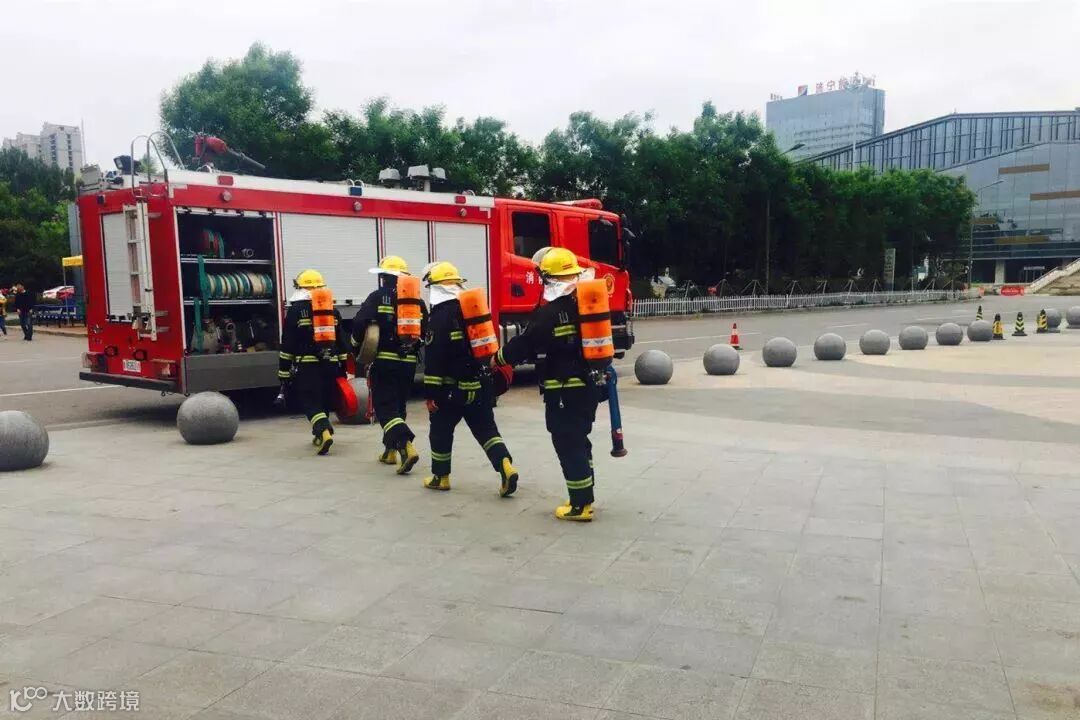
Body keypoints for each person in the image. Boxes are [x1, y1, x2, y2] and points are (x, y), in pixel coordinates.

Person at [496, 248, 601, 521]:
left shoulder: (550, 313)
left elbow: (525, 344)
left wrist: (498, 358)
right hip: (587, 387)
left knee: (568, 443)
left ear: (548, 279)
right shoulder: (584, 306)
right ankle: (585, 495)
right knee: (580, 441)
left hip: (564, 391)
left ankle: (579, 505)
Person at [421, 261, 518, 496]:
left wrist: (432, 395)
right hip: (479, 384)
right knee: (486, 430)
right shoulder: (472, 311)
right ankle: (505, 465)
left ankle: (441, 477)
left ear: (436, 288)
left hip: (451, 391)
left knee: (440, 430)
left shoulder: (438, 317)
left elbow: (434, 360)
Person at [351, 256, 425, 474]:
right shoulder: (416, 302)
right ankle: (390, 450)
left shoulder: (377, 297)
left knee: (385, 407)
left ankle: (406, 445)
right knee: (398, 405)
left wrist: (356, 347)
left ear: (384, 277)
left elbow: (359, 323)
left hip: (385, 361)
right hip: (409, 363)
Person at [278, 269, 350, 455]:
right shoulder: (332, 310)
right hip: (330, 363)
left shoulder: (295, 311)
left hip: (307, 365)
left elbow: (288, 343)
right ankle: (320, 434)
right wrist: (343, 369)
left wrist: (283, 371)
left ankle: (324, 431)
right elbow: (342, 342)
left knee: (309, 400)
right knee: (323, 397)